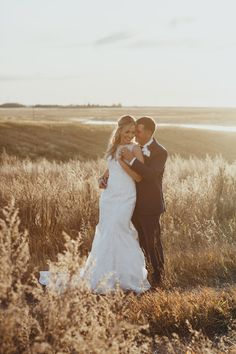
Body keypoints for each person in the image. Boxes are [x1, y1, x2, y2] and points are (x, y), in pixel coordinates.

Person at [39, 115, 151, 295]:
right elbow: (110, 170)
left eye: (132, 132)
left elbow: (138, 177)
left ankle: (126, 276)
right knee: (107, 232)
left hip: (126, 196)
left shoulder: (135, 149)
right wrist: (103, 179)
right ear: (120, 130)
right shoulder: (114, 148)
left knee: (119, 229)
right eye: (127, 131)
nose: (130, 135)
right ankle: (104, 275)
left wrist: (124, 162)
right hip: (109, 197)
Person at [120, 116, 167, 286]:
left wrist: (132, 160)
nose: (135, 134)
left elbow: (150, 175)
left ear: (148, 132)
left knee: (152, 241)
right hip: (133, 203)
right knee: (139, 242)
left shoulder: (160, 152)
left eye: (138, 131)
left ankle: (159, 275)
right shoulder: (133, 147)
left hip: (151, 205)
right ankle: (144, 273)